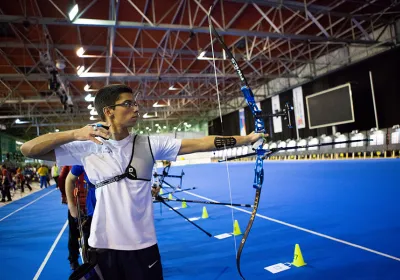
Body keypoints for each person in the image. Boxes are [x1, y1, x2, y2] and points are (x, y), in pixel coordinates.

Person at [20, 84, 266, 280]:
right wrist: (74, 133)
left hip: (142, 245)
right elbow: (28, 149)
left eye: (135, 103)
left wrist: (246, 139)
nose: (136, 108)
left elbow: (203, 142)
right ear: (108, 111)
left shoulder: (150, 143)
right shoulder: (85, 147)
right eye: (128, 104)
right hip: (101, 246)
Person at [65, 165, 97, 264]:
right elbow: (66, 179)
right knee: (76, 235)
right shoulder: (79, 160)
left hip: (89, 206)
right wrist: (71, 205)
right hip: (84, 206)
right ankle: (73, 260)